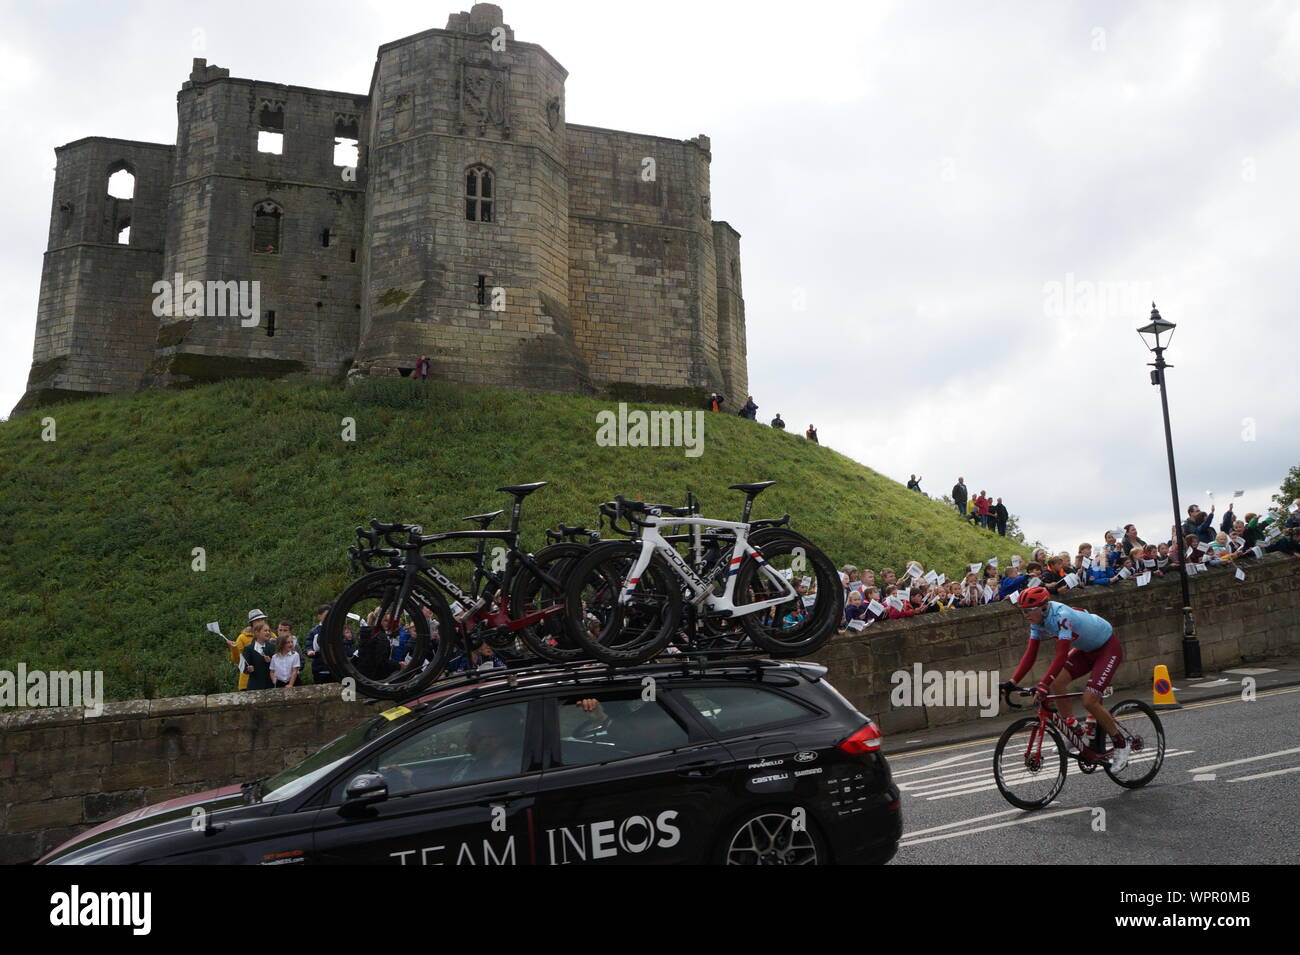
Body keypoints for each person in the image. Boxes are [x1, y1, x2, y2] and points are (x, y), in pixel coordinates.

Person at [1001, 587, 1130, 769]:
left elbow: (1061, 654)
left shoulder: (1062, 615)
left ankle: (1121, 743)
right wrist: (1012, 682)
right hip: (1085, 650)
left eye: (1029, 610)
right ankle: (1073, 729)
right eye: (1023, 610)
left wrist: (1043, 684)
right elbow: (1031, 653)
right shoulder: (1037, 621)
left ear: (1044, 607)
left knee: (1089, 701)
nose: (1026, 614)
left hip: (1107, 649)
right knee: (1058, 682)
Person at [226, 609, 269, 690]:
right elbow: (237, 661)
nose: (261, 622)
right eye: (258, 620)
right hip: (247, 683)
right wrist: (234, 648)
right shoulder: (242, 638)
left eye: (262, 619)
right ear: (252, 623)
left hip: (268, 680)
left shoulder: (270, 635)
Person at [241, 620, 276, 691]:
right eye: (265, 631)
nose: (268, 633)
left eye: (269, 631)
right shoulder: (249, 648)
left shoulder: (272, 647)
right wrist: (248, 669)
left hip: (270, 685)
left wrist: (271, 661)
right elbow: (244, 668)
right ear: (257, 633)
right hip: (255, 686)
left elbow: (278, 665)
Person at [304, 604, 333, 683]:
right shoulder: (313, 631)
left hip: (335, 668)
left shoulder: (335, 630)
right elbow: (308, 646)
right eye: (326, 615)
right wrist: (309, 651)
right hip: (320, 668)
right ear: (319, 616)